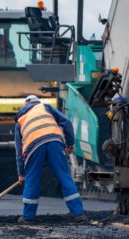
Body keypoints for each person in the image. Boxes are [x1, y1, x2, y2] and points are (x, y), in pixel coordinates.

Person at [14, 95, 88, 224]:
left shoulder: (20, 118)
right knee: (65, 177)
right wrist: (70, 144)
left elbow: (18, 150)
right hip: (54, 141)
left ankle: (28, 217)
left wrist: (21, 173)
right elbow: (66, 122)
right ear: (38, 102)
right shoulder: (46, 108)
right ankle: (79, 214)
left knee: (32, 179)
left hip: (33, 146)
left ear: (25, 106)